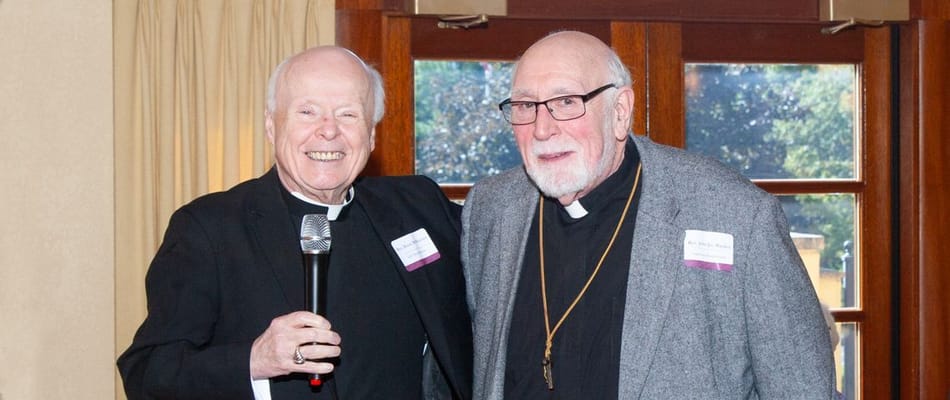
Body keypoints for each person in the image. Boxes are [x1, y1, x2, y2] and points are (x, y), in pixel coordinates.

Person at [461, 31, 835, 399]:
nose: (542, 129)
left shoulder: (736, 216)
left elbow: (802, 387)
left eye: (567, 101)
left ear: (620, 111)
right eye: (526, 106)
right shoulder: (490, 209)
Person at [118, 46, 472, 400]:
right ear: (272, 126)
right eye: (307, 112)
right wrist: (254, 360)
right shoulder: (210, 229)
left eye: (349, 114)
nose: (329, 131)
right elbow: (148, 373)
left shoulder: (418, 205)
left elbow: (507, 249)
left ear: (372, 135)